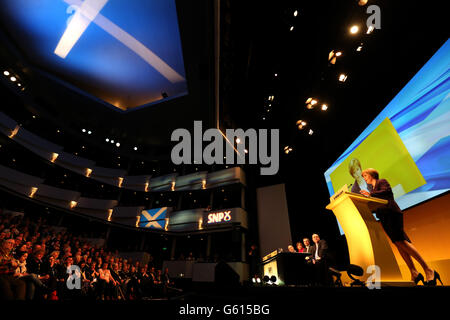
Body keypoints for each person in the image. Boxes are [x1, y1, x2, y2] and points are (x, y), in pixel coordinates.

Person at [360, 168, 441, 286]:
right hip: (384, 218)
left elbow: (386, 192)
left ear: (372, 175)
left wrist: (370, 195)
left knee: (401, 241)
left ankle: (428, 269)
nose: (364, 178)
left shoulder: (382, 182)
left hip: (392, 214)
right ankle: (414, 272)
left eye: (365, 175)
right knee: (398, 244)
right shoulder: (372, 190)